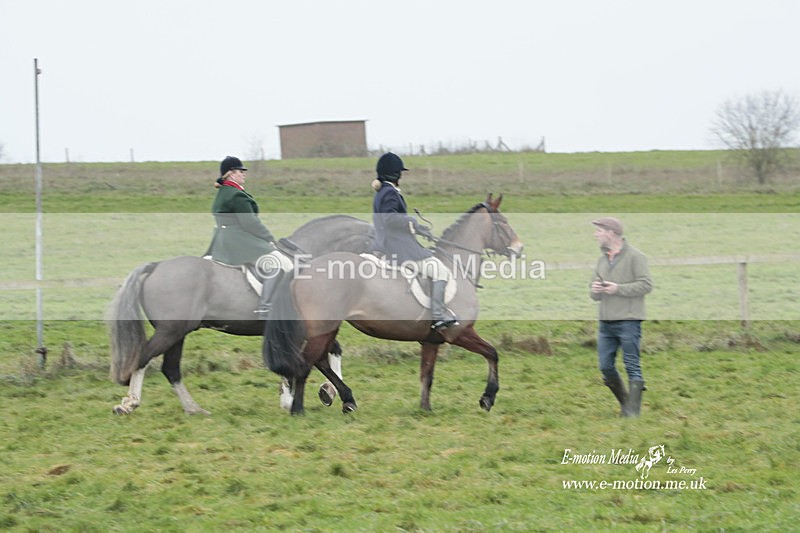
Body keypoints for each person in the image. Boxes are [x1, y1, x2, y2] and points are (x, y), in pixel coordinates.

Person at [371, 152, 458, 331]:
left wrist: (418, 228)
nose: (401, 177)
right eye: (400, 173)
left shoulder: (382, 192)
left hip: (389, 244)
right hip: (400, 249)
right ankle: (438, 315)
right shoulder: (390, 192)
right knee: (440, 271)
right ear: (395, 174)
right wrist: (412, 221)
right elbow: (389, 219)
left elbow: (395, 222)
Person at [206, 155, 293, 318]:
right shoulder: (236, 195)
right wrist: (269, 238)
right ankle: (266, 307)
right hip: (239, 240)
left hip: (222, 240)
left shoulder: (223, 192)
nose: (244, 173)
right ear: (231, 174)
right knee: (280, 263)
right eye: (240, 171)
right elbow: (250, 223)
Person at [589, 217, 653, 417]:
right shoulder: (601, 260)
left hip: (628, 320)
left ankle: (632, 413)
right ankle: (627, 405)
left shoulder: (636, 257)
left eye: (599, 231)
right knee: (605, 367)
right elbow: (593, 294)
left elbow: (646, 285)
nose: (595, 235)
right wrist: (595, 289)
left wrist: (618, 289)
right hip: (606, 323)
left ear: (611, 233)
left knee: (632, 365)